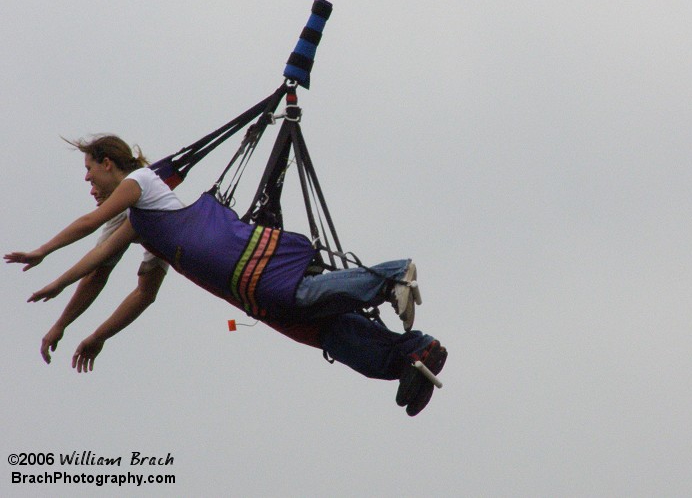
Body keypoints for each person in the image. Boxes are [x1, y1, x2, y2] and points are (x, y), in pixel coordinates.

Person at [6, 135, 447, 416]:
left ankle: (392, 275)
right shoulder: (145, 229)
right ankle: (414, 356)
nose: (89, 184)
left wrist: (45, 255)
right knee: (333, 336)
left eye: (89, 172)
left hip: (242, 259)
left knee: (301, 296)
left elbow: (92, 226)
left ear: (107, 163)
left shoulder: (142, 183)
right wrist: (84, 329)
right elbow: (130, 285)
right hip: (245, 290)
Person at [40, 180, 167, 366]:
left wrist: (52, 269)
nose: (91, 190)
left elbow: (93, 236)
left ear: (107, 165)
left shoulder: (139, 200)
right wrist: (99, 336)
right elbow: (145, 294)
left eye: (91, 176)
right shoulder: (149, 207)